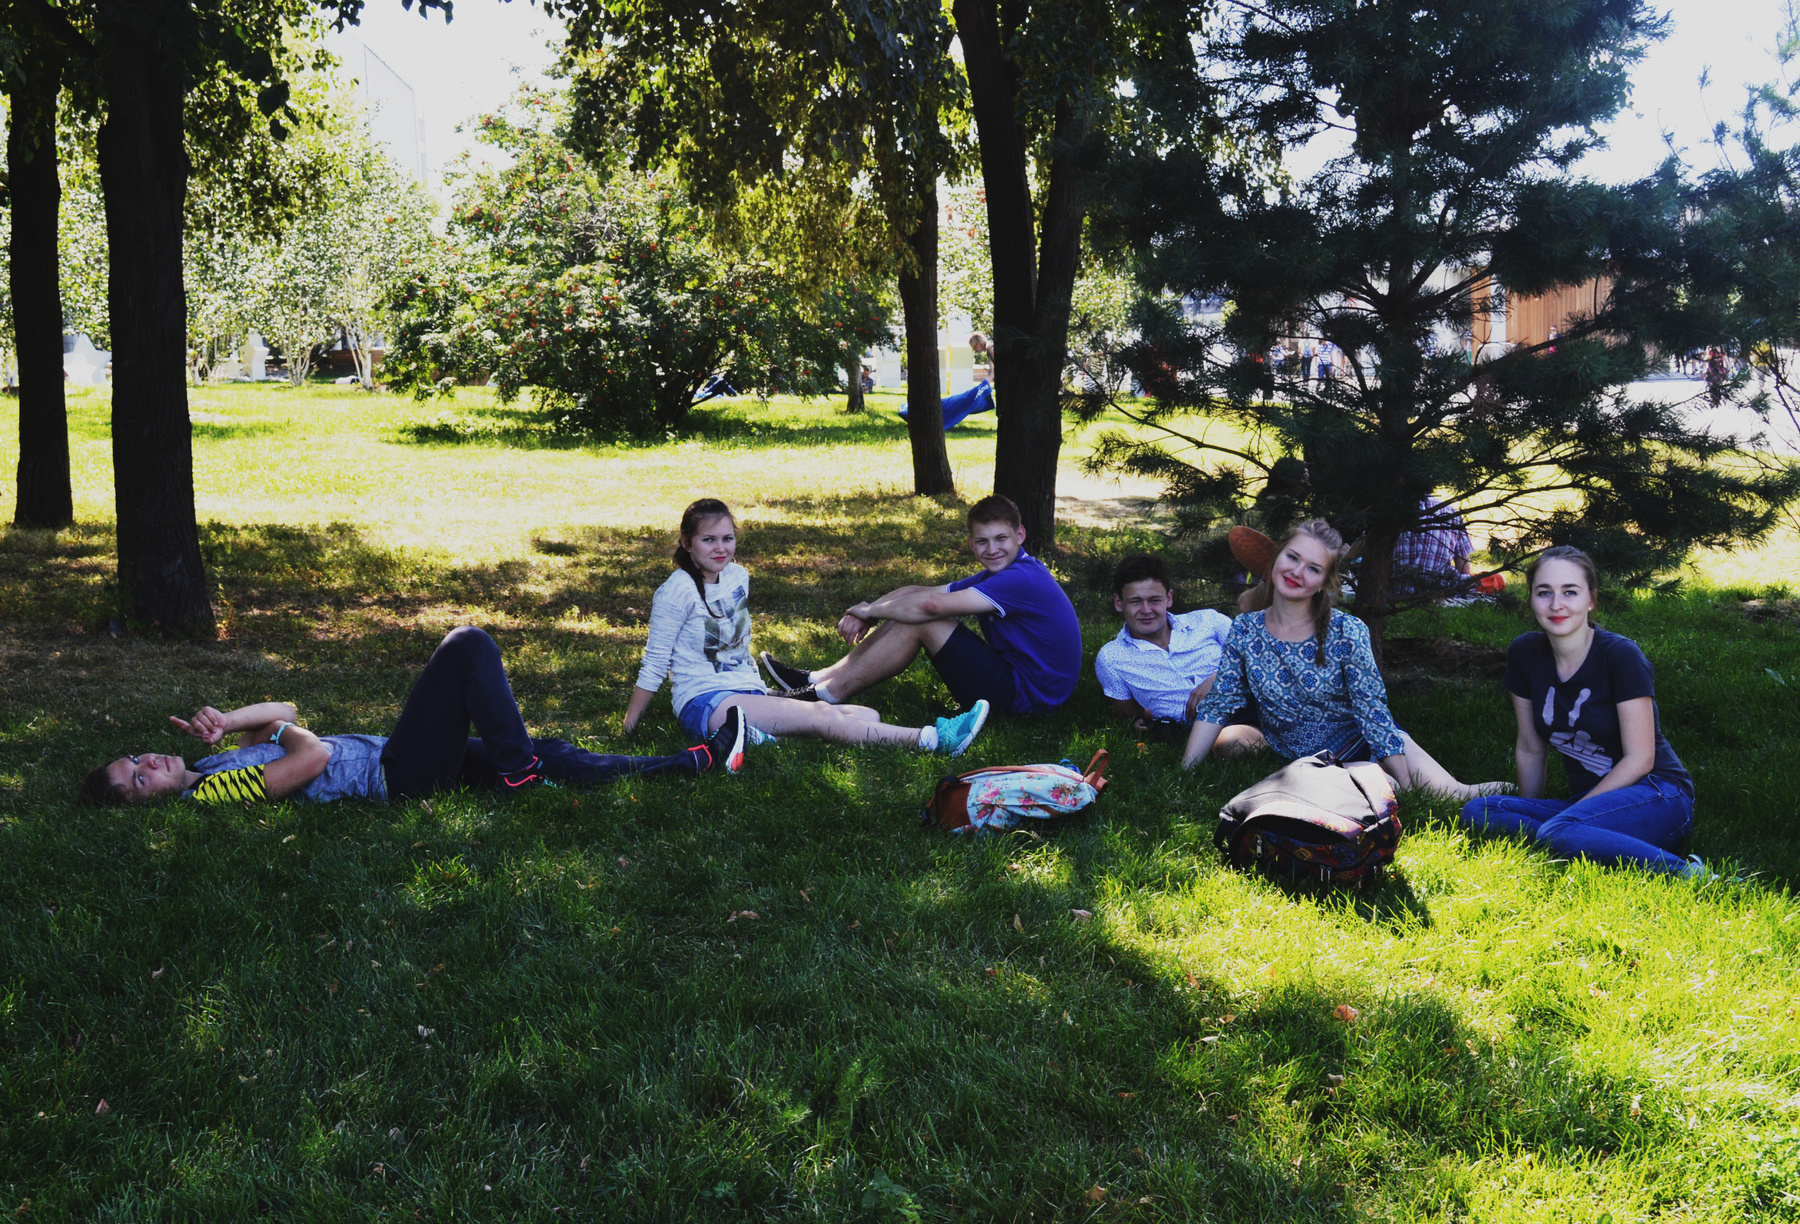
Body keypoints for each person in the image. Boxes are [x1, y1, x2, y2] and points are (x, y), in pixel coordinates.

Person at [80, 625, 744, 806]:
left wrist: (229, 719)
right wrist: (275, 731)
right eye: (139, 779)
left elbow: (285, 711)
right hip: (399, 774)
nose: (149, 762)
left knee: (555, 756)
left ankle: (694, 761)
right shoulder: (213, 794)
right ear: (150, 804)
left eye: (136, 759)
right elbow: (311, 754)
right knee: (468, 645)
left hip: (401, 758)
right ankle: (517, 770)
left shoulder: (213, 763)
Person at [624, 498, 989, 756]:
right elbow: (655, 663)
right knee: (823, 715)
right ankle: (933, 739)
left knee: (867, 716)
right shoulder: (676, 592)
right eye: (709, 540)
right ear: (687, 543)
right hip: (706, 703)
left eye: (727, 538)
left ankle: (754, 740)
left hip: (747, 692)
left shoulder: (737, 576)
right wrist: (629, 727)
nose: (720, 548)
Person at [1182, 519, 1505, 800]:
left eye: (1313, 568)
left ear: (1324, 582)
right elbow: (1219, 703)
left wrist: (1407, 785)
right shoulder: (1245, 629)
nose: (1297, 572)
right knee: (1228, 743)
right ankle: (1365, 777)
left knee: (1452, 795)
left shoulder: (1346, 630)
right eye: (1292, 557)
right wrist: (1185, 772)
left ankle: (1489, 790)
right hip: (1300, 754)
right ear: (1276, 557)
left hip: (1360, 739)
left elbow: (1372, 711)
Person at [1459, 547, 1703, 876]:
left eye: (1570, 592)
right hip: (1586, 803)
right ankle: (1571, 837)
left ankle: (1693, 875)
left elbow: (1641, 759)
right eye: (1544, 592)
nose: (1556, 605)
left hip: (1657, 795)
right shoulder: (1524, 652)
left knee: (1560, 829)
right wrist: (1534, 807)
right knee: (1480, 811)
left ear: (1591, 600)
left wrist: (1571, 814)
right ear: (1531, 600)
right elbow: (1530, 747)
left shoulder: (1620, 655)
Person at [759, 495, 1082, 720]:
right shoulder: (1004, 573)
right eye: (982, 541)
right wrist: (869, 608)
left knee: (925, 618)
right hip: (1020, 683)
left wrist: (871, 613)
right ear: (971, 544)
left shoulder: (1021, 579)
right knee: (911, 608)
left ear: (1020, 535)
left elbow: (929, 605)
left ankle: (829, 694)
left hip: (1029, 700)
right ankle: (818, 679)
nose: (992, 549)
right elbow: (919, 591)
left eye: (1001, 539)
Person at [1095, 553, 1265, 751]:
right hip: (1219, 730)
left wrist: (1218, 678)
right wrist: (1137, 723)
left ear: (1169, 598)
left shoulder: (1209, 621)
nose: (1146, 610)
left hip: (1252, 702)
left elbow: (1259, 656)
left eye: (1154, 600)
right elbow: (1130, 715)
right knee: (1231, 744)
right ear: (1118, 603)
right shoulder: (1111, 658)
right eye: (1135, 602)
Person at [1392, 495, 1473, 597]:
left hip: (1393, 593)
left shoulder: (1386, 511)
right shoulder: (1450, 512)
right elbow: (1464, 568)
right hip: (1438, 594)